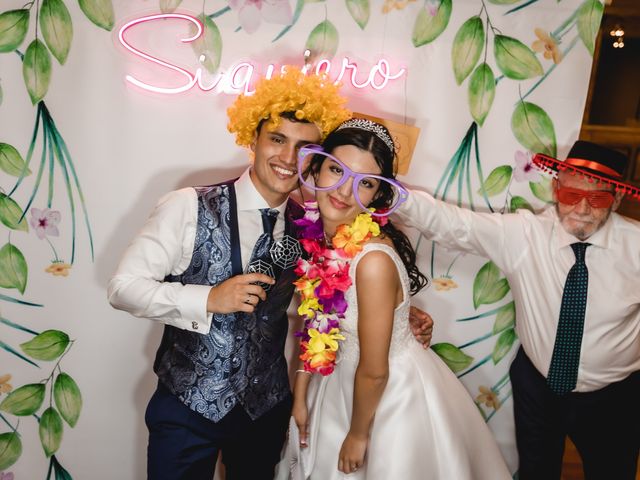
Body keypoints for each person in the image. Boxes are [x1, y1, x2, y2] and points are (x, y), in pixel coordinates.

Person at [107, 68, 433, 480]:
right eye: (277, 139)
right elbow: (123, 288)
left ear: (316, 161)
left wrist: (404, 317)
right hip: (188, 408)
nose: (286, 157)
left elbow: (341, 295)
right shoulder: (186, 205)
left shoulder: (313, 225)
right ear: (253, 138)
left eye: (304, 148)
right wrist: (207, 299)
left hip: (265, 411)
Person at [393, 140, 640, 480]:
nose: (582, 208)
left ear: (618, 198)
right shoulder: (525, 234)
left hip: (615, 396)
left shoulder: (636, 247)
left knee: (613, 472)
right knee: (536, 473)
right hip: (538, 387)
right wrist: (388, 194)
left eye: (597, 199)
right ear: (556, 188)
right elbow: (454, 225)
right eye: (571, 195)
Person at [283, 118, 511, 480]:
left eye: (366, 183)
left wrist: (358, 435)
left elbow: (374, 370)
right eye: (336, 170)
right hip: (340, 382)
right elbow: (319, 322)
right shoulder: (321, 239)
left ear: (378, 195)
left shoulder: (372, 261)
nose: (343, 191)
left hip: (385, 395)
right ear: (317, 166)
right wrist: (301, 392)